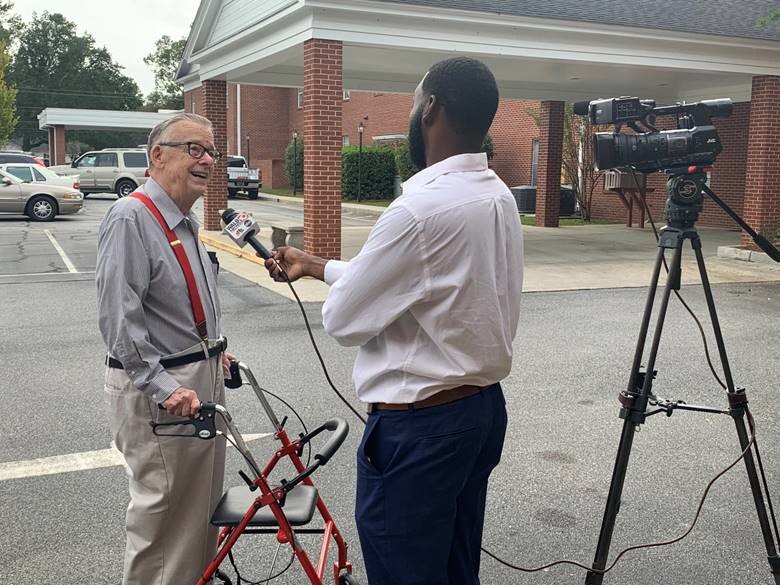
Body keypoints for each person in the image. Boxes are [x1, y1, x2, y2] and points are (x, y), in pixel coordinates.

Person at [265, 57, 524, 585]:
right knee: (454, 569)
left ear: (431, 109)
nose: (410, 113)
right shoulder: (495, 194)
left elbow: (344, 321)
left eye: (412, 102)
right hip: (478, 413)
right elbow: (424, 280)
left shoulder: (418, 212)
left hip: (421, 431)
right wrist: (318, 265)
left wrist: (340, 285)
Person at [97, 112, 233, 585]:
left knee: (198, 511)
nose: (207, 160)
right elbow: (120, 316)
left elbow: (175, 309)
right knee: (164, 519)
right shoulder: (132, 217)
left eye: (212, 151)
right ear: (158, 155)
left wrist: (214, 353)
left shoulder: (183, 221)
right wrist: (162, 385)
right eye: (194, 149)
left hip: (196, 379)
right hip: (166, 393)